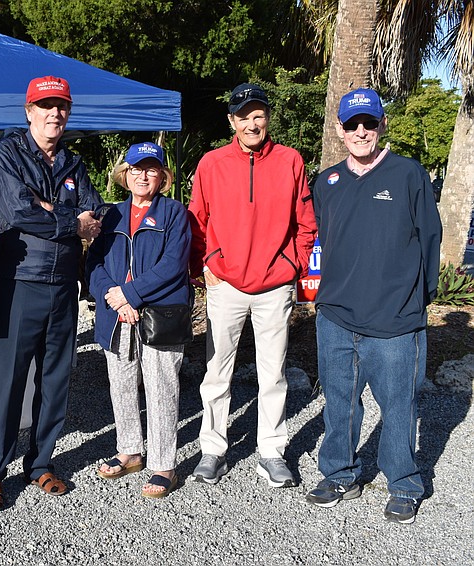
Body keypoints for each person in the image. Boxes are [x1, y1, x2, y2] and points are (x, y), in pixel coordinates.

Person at [306, 88, 441, 524]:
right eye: (351, 125)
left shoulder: (408, 174)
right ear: (341, 131)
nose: (361, 131)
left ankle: (403, 482)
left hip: (395, 319)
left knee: (399, 405)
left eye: (368, 123)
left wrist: (419, 299)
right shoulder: (326, 182)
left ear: (382, 124)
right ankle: (341, 473)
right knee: (340, 401)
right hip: (337, 317)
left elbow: (430, 239)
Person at [0, 75, 103, 512]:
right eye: (45, 106)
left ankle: (41, 462)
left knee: (55, 380)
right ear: (28, 111)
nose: (55, 113)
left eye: (61, 106)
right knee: (7, 384)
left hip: (64, 287)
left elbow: (97, 213)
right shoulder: (7, 153)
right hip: (17, 284)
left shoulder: (74, 163)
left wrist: (49, 209)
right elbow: (17, 212)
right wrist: (70, 221)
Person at [187, 83, 316, 488]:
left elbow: (306, 223)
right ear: (232, 121)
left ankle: (271, 451)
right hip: (226, 284)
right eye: (244, 116)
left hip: (275, 286)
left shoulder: (290, 160)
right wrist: (204, 264)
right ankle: (213, 449)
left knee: (273, 373)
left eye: (258, 114)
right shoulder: (211, 163)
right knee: (217, 371)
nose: (252, 122)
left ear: (267, 118)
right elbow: (197, 221)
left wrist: (291, 265)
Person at [86, 142, 191, 499]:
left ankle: (164, 464)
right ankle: (129, 449)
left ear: (162, 176)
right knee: (121, 383)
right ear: (124, 175)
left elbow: (174, 265)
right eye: (135, 169)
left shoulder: (174, 213)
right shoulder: (111, 214)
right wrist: (113, 297)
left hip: (158, 313)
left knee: (162, 387)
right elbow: (94, 265)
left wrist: (131, 295)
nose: (142, 175)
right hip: (116, 315)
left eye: (151, 169)